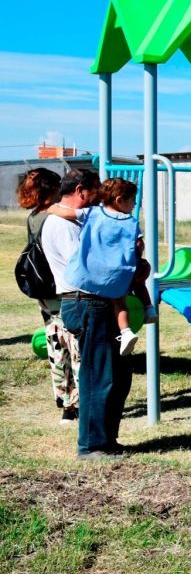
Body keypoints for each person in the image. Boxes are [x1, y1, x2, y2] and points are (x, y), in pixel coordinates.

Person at [54, 178, 157, 356]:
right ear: (119, 200)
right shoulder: (131, 221)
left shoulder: (92, 213)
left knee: (117, 301)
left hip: (92, 272)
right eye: (132, 200)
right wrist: (136, 258)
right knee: (121, 301)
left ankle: (127, 332)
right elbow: (139, 244)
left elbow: (67, 214)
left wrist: (50, 207)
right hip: (117, 272)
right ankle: (136, 321)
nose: (134, 205)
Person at [16, 168, 72, 419]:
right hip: (58, 286)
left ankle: (62, 396)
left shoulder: (33, 216)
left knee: (54, 342)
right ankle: (73, 402)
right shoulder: (55, 216)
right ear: (50, 189)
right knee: (71, 344)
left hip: (41, 288)